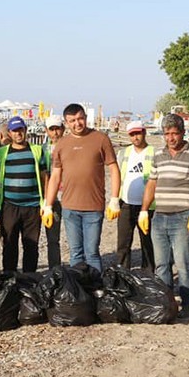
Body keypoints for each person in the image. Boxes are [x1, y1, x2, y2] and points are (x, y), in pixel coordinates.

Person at [138, 114, 189, 315]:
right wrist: (144, 210)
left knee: (183, 262)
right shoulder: (159, 155)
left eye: (174, 133)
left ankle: (188, 304)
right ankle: (165, 304)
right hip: (160, 216)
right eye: (167, 134)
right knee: (161, 264)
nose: (171, 138)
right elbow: (152, 183)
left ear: (183, 133)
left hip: (183, 216)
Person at [43, 103, 120, 272]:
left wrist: (114, 199)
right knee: (75, 253)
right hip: (70, 208)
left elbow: (114, 168)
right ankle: (79, 292)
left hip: (94, 207)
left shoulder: (101, 139)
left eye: (80, 119)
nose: (77, 123)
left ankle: (96, 291)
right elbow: (55, 176)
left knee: (92, 253)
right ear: (66, 123)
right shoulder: (62, 145)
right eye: (72, 121)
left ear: (85, 117)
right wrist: (48, 205)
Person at [0, 116, 48, 272]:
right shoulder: (1, 153)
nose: (18, 133)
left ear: (26, 130)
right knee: (9, 244)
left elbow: (45, 176)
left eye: (21, 130)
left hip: (32, 207)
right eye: (15, 131)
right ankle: (9, 278)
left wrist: (46, 203)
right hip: (9, 206)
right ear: (10, 133)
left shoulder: (37, 151)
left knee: (31, 246)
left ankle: (29, 279)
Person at [114, 120, 156, 271]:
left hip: (148, 205)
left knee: (148, 243)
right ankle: (123, 275)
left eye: (138, 133)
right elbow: (117, 176)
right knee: (123, 243)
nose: (135, 137)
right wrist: (114, 200)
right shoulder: (123, 153)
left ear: (144, 132)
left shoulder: (154, 152)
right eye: (132, 134)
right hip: (126, 203)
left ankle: (149, 275)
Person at [42, 115, 65, 268]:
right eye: (52, 129)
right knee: (52, 238)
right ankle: (54, 268)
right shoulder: (43, 150)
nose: (55, 132)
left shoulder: (70, 146)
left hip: (70, 197)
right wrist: (46, 200)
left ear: (63, 129)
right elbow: (44, 174)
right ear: (46, 131)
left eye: (57, 129)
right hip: (53, 199)